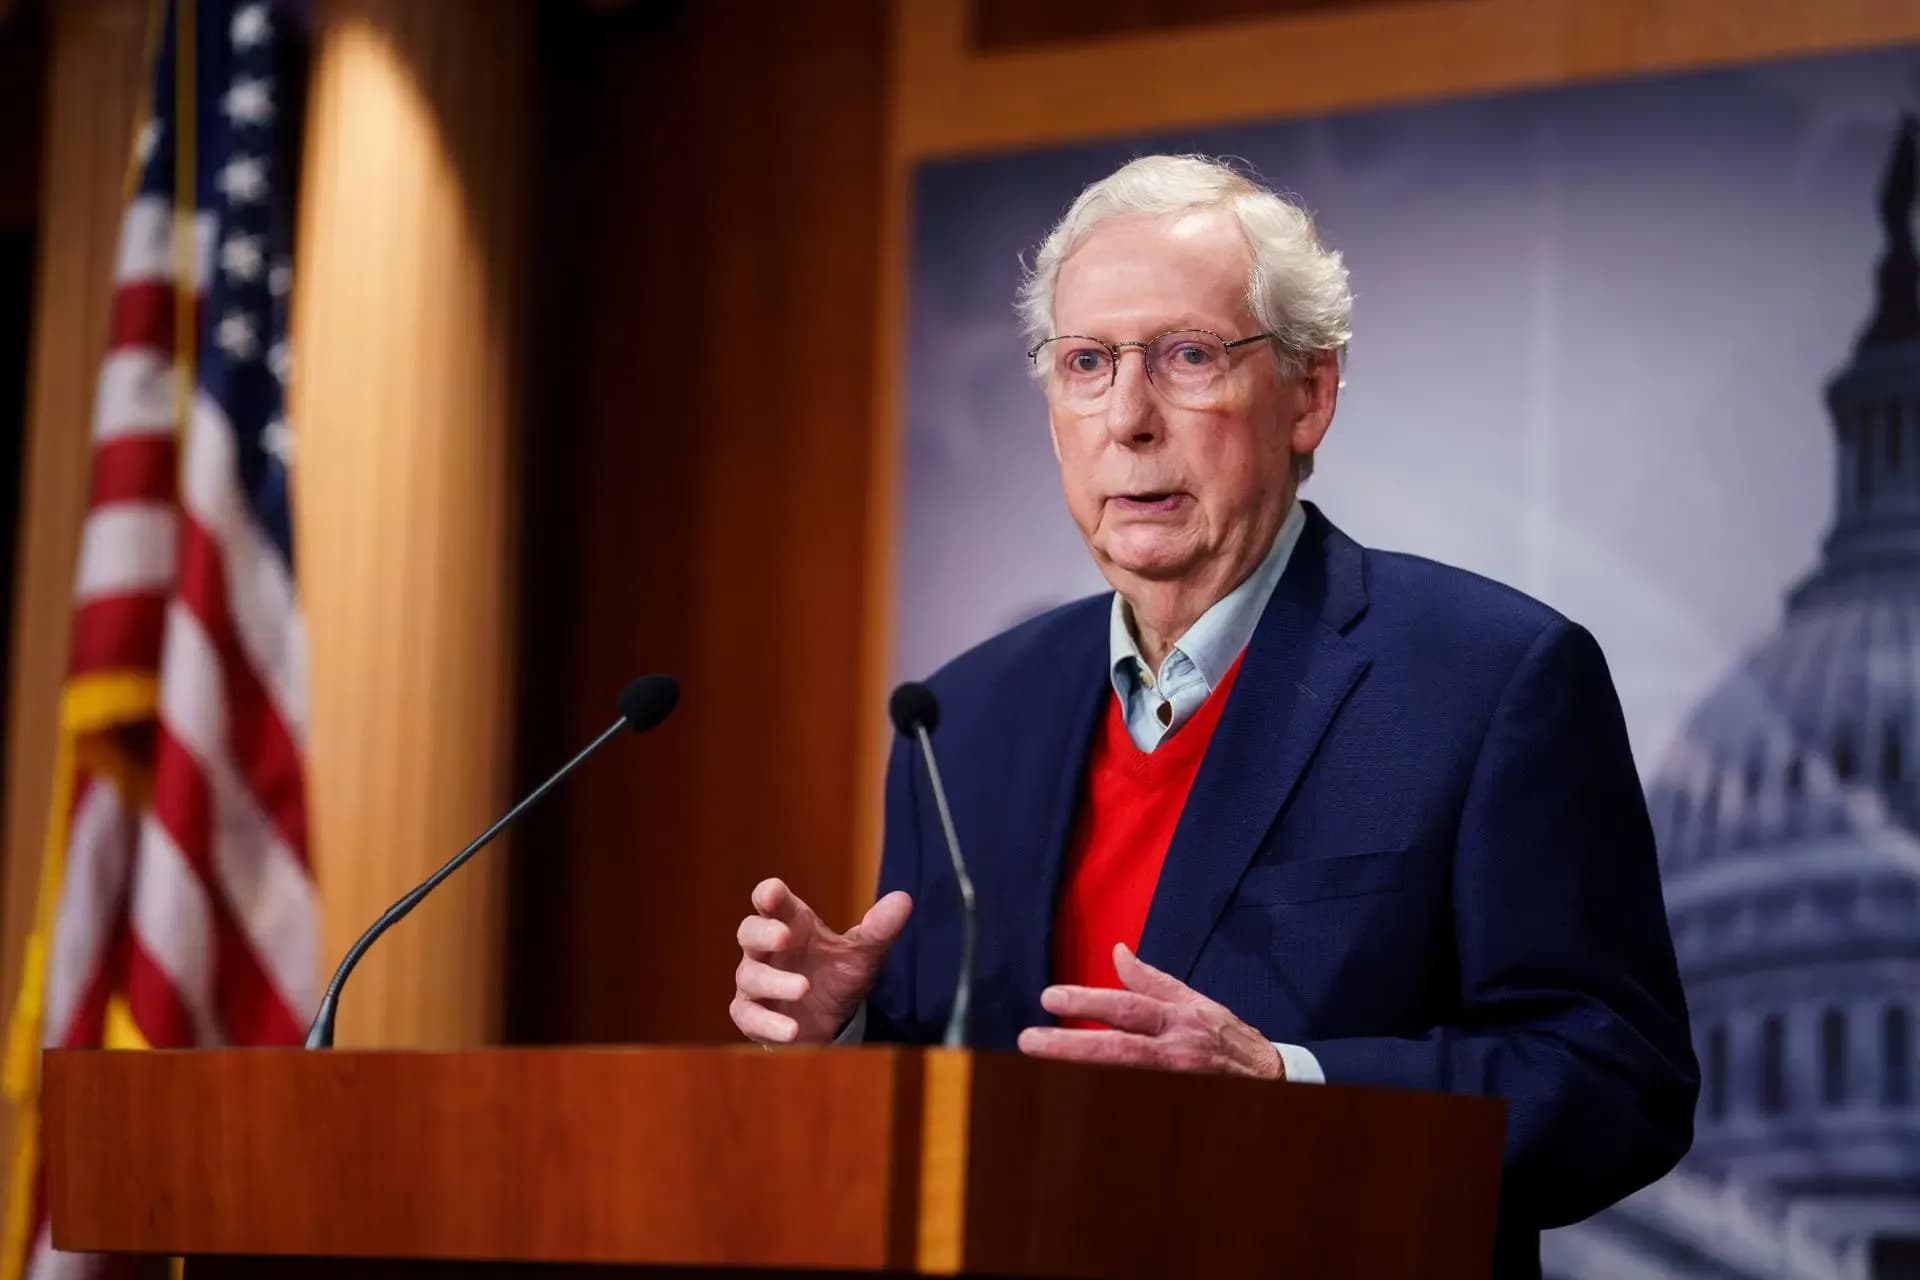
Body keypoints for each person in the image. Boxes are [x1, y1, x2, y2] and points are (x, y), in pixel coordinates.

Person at [728, 155, 1697, 1276]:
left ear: (1310, 395)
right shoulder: (964, 717)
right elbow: (956, 1104)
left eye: (1187, 356)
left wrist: (1287, 1087)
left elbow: (1615, 1082)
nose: (1129, 418)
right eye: (1087, 364)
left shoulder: (1492, 681)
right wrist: (842, 1039)